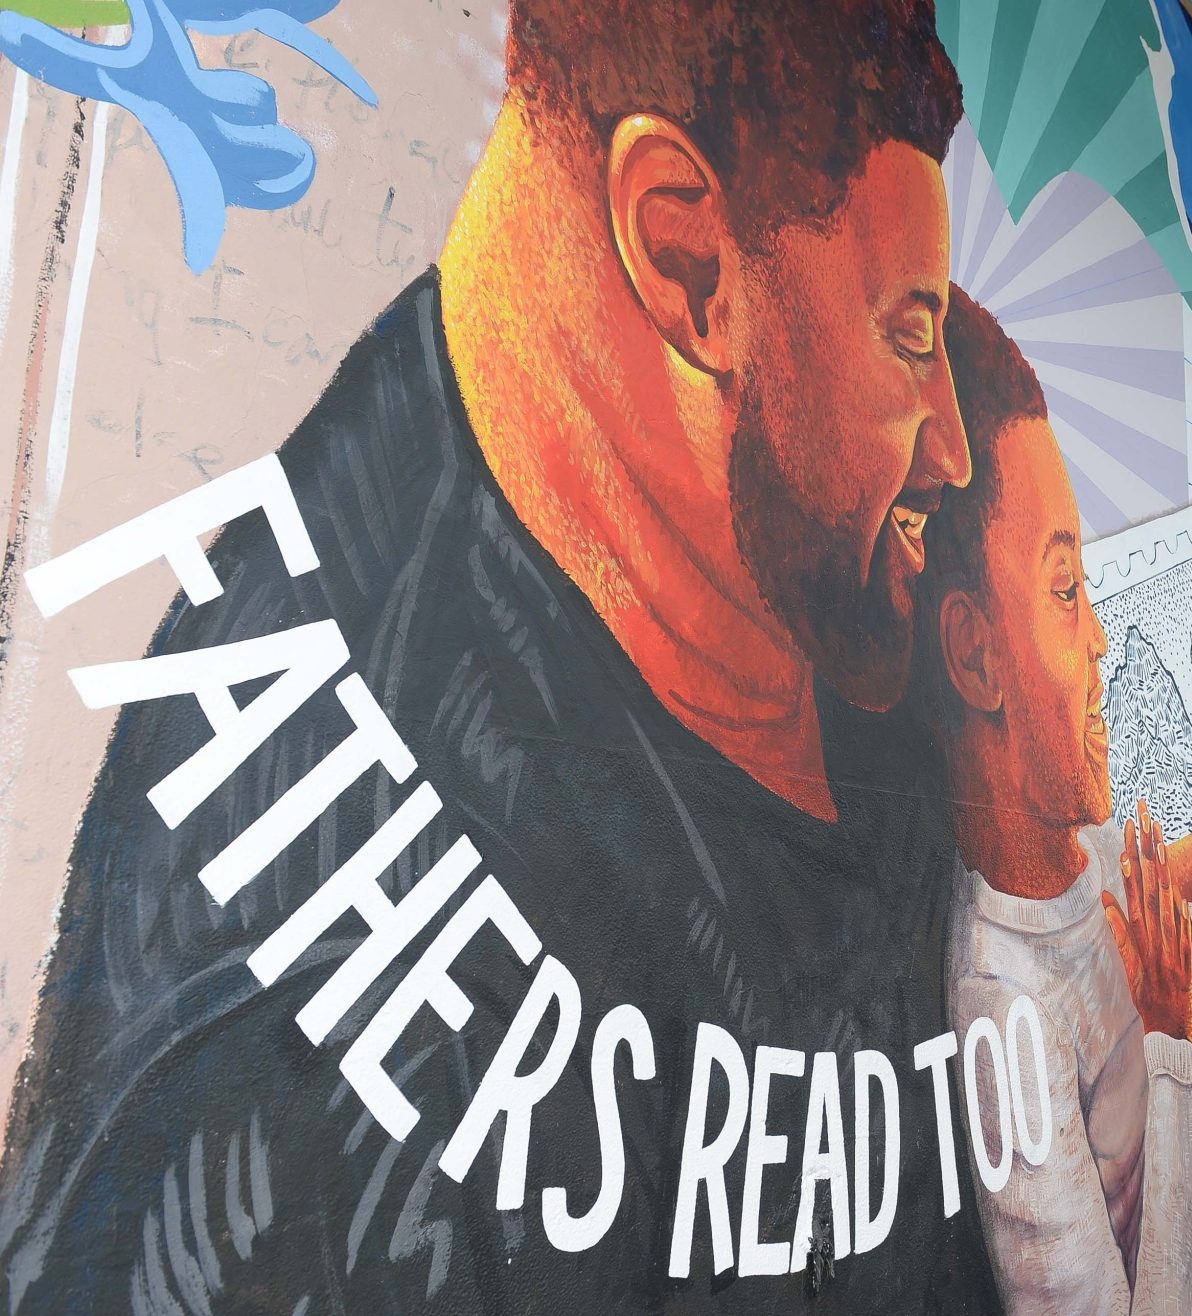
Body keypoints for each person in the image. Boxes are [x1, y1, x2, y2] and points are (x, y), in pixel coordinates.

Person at [0, 3, 1008, 1309]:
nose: (952, 452)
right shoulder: (304, 1057)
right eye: (909, 334)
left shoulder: (834, 646)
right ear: (686, 257)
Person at [916, 296, 1192, 1315]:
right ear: (974, 652)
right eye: (1066, 590)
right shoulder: (1003, 1007)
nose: (1104, 645)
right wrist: (1162, 1038)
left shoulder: (1094, 846)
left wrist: (1185, 949)